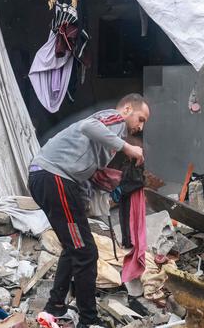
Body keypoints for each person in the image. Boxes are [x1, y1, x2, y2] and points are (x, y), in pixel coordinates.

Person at [28, 93, 149, 327]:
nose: (140, 126)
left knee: (74, 248)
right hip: (54, 177)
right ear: (126, 109)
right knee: (86, 253)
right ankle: (88, 321)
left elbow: (85, 171)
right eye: (140, 119)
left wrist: (109, 187)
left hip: (51, 178)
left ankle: (55, 307)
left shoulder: (108, 140)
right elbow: (87, 125)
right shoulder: (114, 119)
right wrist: (128, 148)